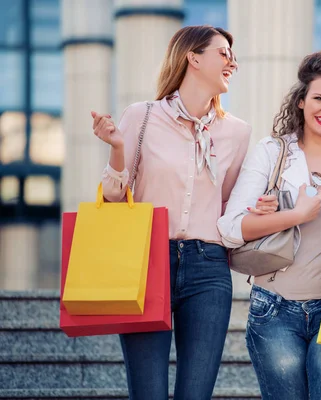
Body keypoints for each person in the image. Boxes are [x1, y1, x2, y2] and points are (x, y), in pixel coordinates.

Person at [217, 50, 321, 400]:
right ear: (301, 101)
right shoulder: (271, 153)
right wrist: (294, 215)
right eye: (319, 98)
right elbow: (230, 228)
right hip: (275, 309)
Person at [91, 25, 252, 400]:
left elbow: (227, 208)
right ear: (192, 58)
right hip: (146, 261)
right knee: (147, 394)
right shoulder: (142, 116)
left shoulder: (237, 133)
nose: (233, 62)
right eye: (223, 53)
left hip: (209, 268)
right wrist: (116, 147)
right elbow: (115, 198)